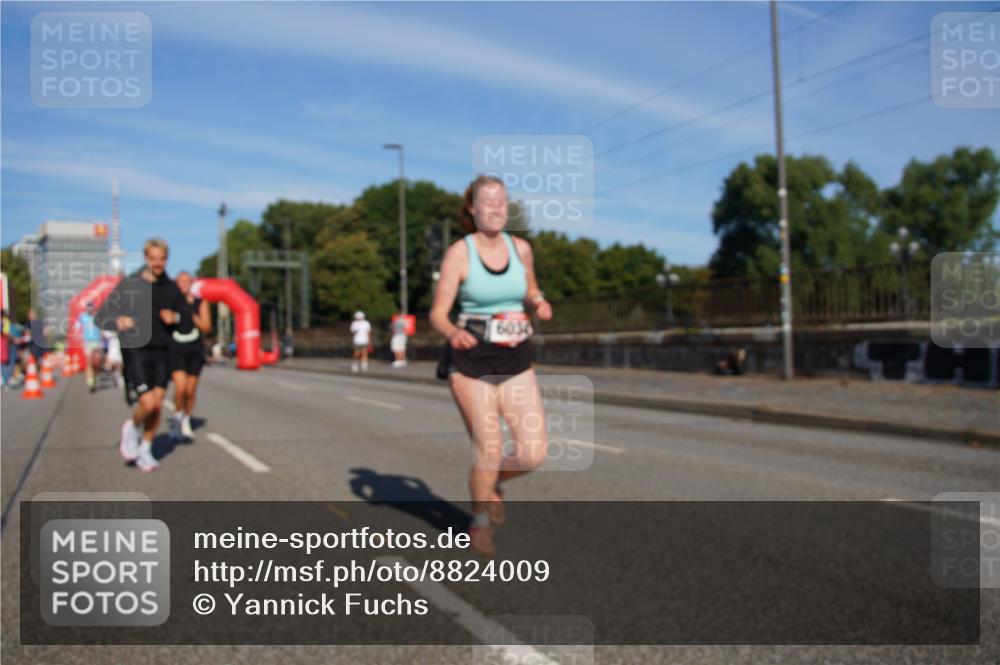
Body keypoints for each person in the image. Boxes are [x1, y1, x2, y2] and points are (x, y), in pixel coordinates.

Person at [429, 175, 553, 556]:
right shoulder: (460, 253)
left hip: (515, 358)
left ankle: (492, 481)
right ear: (473, 208)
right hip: (471, 360)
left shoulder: (521, 249)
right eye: (488, 201)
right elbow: (437, 313)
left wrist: (538, 301)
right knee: (489, 448)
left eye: (502, 201)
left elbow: (530, 288)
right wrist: (452, 333)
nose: (497, 208)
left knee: (534, 453)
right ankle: (479, 523)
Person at [97, 238, 184, 472]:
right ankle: (132, 427)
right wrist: (118, 321)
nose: (158, 263)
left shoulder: (171, 287)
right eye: (153, 258)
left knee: (157, 406)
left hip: (163, 352)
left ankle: (146, 447)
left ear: (167, 259)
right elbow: (101, 316)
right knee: (147, 403)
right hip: (137, 350)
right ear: (146, 258)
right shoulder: (130, 284)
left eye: (162, 259)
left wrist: (175, 318)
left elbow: (185, 317)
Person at [168, 271, 211, 440]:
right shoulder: (170, 303)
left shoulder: (200, 302)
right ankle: (177, 418)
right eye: (180, 282)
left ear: (191, 283)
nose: (183, 284)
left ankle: (186, 417)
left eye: (187, 281)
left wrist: (190, 312)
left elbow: (206, 326)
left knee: (191, 391)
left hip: (194, 349)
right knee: (181, 387)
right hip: (175, 348)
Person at [79, 302, 103, 392]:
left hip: (96, 341)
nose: (89, 309)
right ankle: (90, 382)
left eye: (91, 307)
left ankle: (95, 375)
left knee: (96, 363)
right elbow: (77, 327)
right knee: (88, 362)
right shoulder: (82, 316)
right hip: (87, 342)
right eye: (88, 307)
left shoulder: (97, 316)